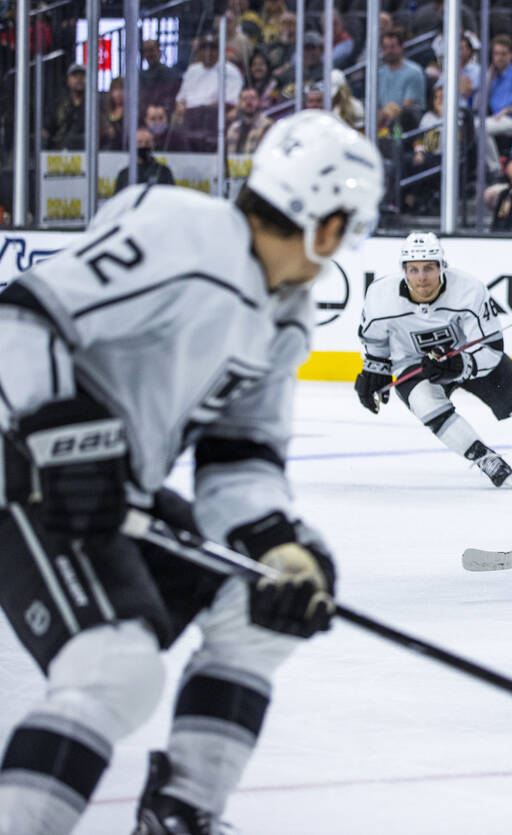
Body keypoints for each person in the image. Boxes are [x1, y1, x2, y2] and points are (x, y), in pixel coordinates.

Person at [0, 111, 384, 833]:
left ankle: (181, 814)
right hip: (21, 477)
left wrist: (279, 547)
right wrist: (63, 440)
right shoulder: (190, 234)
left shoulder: (287, 310)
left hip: (112, 497)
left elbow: (239, 456)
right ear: (327, 225)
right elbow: (21, 320)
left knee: (259, 601)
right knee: (114, 668)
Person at [355, 233, 512, 488]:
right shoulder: (381, 296)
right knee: (424, 402)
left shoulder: (469, 290)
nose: (421, 277)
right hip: (415, 364)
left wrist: (460, 365)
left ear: (442, 267)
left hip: (469, 356)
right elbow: (375, 341)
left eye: (428, 268)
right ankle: (485, 458)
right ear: (404, 271)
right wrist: (374, 370)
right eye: (414, 269)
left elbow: (491, 348)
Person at [114, 126, 176, 191]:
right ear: (132, 145)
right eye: (139, 142)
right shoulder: (124, 174)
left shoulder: (164, 172)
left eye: (147, 142)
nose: (143, 145)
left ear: (153, 145)